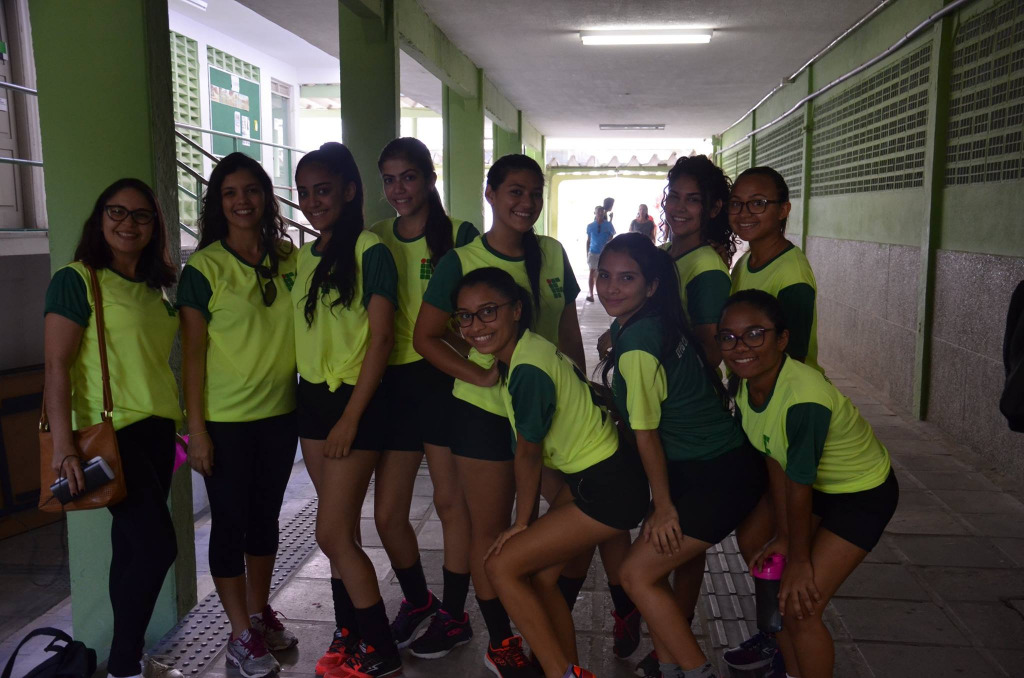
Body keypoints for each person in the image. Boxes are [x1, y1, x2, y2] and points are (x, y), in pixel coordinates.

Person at [414, 154, 584, 677]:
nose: (526, 202)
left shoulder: (552, 253)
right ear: (490, 194)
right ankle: (502, 641)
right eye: (515, 191)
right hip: (483, 417)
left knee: (584, 514)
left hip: (545, 413)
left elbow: (567, 329)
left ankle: (544, 613)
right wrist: (480, 375)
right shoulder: (461, 261)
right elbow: (426, 337)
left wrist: (580, 387)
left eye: (534, 192)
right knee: (489, 533)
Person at [451, 268, 648, 678]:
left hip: (607, 485)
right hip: (597, 478)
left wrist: (522, 523)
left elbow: (528, 454)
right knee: (541, 579)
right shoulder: (527, 350)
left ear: (516, 310)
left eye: (488, 312)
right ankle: (564, 667)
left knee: (502, 566)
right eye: (465, 316)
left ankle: (562, 673)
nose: (476, 326)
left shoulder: (527, 368)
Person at [595, 234, 766, 678]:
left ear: (651, 286)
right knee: (652, 572)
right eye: (605, 275)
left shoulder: (638, 344)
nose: (611, 287)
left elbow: (647, 434)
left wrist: (664, 507)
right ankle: (669, 667)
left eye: (627, 278)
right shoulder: (647, 323)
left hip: (717, 477)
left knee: (636, 574)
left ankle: (695, 670)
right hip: (710, 468)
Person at [719, 290, 898, 678]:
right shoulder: (744, 384)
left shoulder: (803, 400)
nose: (740, 347)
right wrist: (783, 536)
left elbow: (800, 484)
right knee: (767, 567)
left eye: (755, 334)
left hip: (861, 494)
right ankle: (788, 666)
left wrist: (799, 560)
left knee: (801, 608)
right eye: (728, 337)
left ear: (782, 339)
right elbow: (775, 458)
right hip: (815, 486)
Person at [44, 179, 183, 678]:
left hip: (157, 432)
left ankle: (127, 661)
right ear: (100, 218)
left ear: (154, 226)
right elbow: (56, 366)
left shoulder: (153, 286)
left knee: (130, 548)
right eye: (116, 211)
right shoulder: (77, 279)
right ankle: (125, 664)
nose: (128, 223)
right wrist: (64, 448)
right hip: (111, 436)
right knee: (156, 546)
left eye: (141, 215)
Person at [178, 154, 298, 678]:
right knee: (229, 524)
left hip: (281, 414)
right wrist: (197, 431)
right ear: (218, 203)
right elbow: (192, 356)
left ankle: (257, 612)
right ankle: (238, 634)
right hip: (225, 422)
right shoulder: (204, 269)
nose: (242, 201)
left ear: (266, 196)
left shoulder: (289, 258)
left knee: (265, 520)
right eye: (230, 193)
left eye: (251, 190)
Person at [290, 142, 402, 678]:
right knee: (343, 530)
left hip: (355, 403)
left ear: (350, 191)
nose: (313, 201)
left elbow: (381, 339)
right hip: (311, 402)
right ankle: (348, 634)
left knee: (331, 533)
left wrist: (351, 418)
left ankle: (380, 649)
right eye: (304, 192)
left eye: (324, 190)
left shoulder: (369, 249)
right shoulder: (305, 257)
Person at [368, 137, 479, 659]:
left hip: (444, 379)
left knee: (450, 502)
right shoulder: (375, 237)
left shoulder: (460, 235)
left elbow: (483, 307)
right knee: (387, 514)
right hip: (395, 385)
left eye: (408, 177)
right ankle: (418, 600)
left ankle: (455, 616)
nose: (398, 189)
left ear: (430, 178)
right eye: (389, 180)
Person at [728, 166, 822, 373]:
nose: (744, 213)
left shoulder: (792, 275)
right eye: (736, 203)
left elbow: (792, 360)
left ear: (783, 210)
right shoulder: (744, 262)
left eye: (757, 203)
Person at [661, 156, 737, 368]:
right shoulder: (663, 252)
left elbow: (711, 355)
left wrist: (641, 337)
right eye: (674, 196)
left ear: (714, 209)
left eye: (693, 200)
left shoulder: (707, 269)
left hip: (683, 387)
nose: (680, 207)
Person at [585, 206, 615, 302]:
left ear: (604, 213)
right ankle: (591, 295)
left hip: (604, 253)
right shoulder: (590, 226)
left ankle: (604, 293)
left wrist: (610, 251)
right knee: (592, 272)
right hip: (593, 252)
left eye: (602, 212)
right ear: (595, 213)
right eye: (598, 212)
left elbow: (611, 239)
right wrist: (587, 253)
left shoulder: (608, 225)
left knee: (604, 273)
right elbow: (588, 240)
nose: (600, 213)